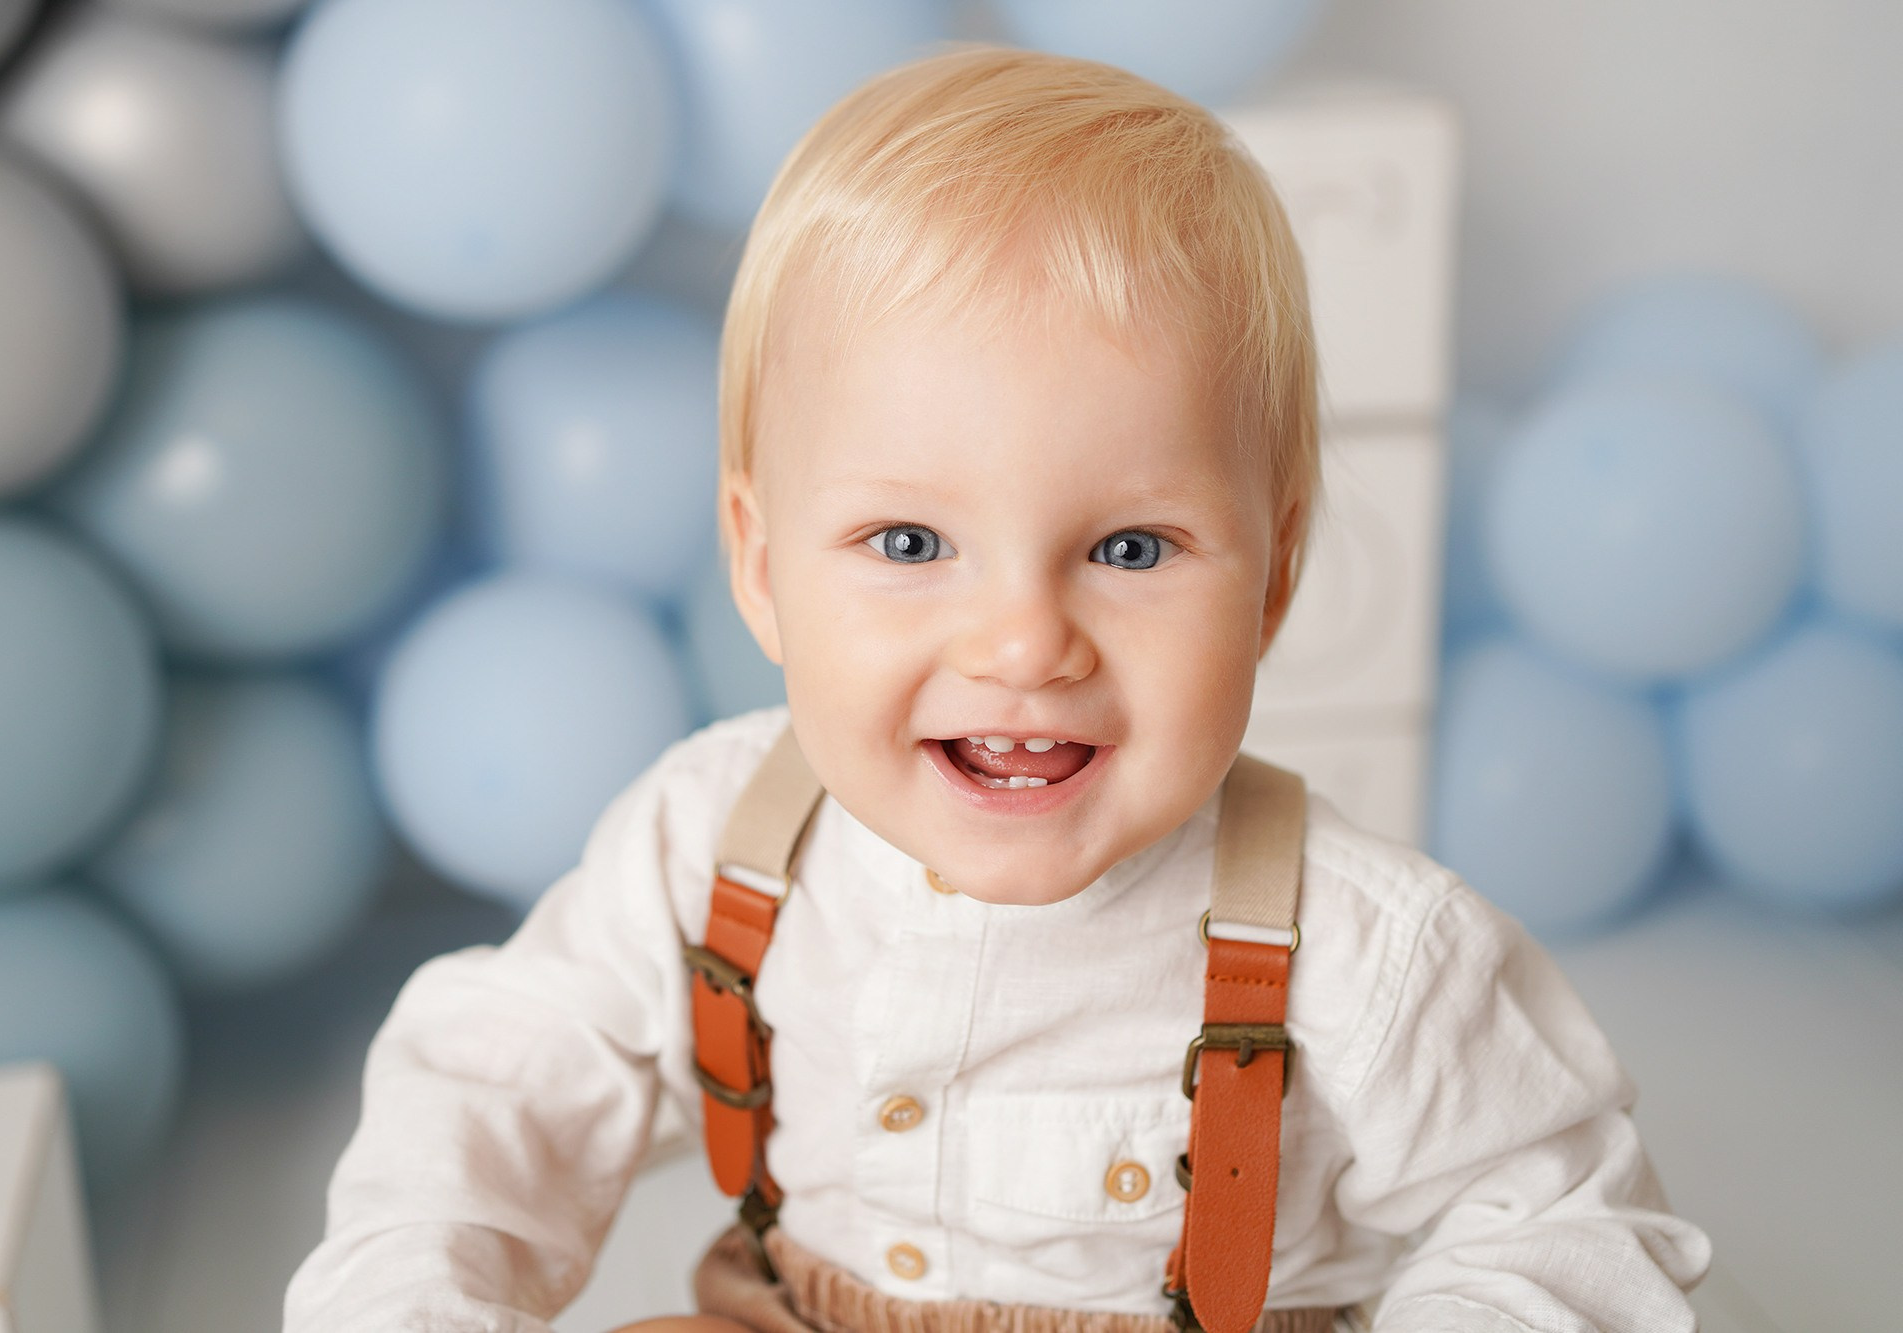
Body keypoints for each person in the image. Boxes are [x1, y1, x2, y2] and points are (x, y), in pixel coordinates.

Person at [283, 46, 1708, 1333]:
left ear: (1270, 583)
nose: (1026, 644)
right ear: (762, 566)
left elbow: (1567, 1224)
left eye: (1131, 548)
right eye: (910, 543)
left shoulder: (1361, 947)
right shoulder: (709, 839)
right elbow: (490, 1090)